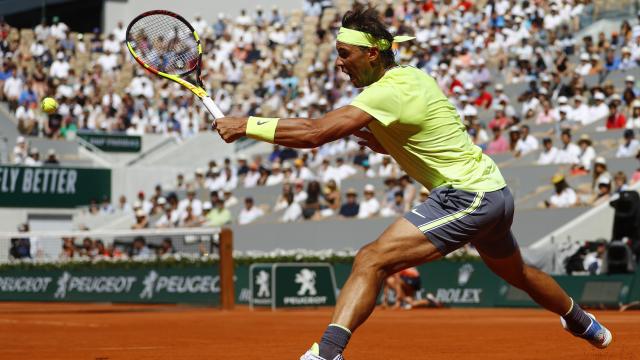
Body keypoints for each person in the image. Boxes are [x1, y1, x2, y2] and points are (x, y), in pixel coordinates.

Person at [214, 6, 612, 358]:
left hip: (467, 196)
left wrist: (245, 124)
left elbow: (315, 132)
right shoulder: (411, 78)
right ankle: (582, 322)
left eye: (344, 54)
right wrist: (383, 143)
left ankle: (327, 354)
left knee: (371, 259)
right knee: (517, 273)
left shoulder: (388, 92)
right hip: (493, 191)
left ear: (372, 54)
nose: (339, 63)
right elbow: (419, 139)